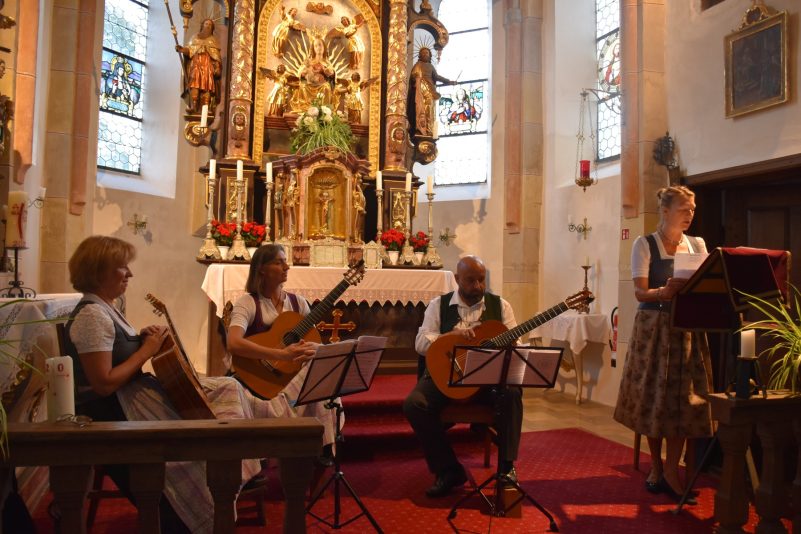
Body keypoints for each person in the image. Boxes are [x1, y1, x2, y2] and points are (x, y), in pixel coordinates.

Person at [613, 186, 713, 504]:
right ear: (666, 211)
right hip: (654, 329)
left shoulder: (697, 244)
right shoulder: (645, 244)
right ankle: (656, 467)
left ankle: (672, 469)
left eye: (693, 208)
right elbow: (640, 293)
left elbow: (707, 283)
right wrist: (663, 291)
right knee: (654, 399)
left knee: (684, 400)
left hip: (687, 330)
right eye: (684, 208)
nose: (690, 214)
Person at [403, 255, 522, 498]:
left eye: (481, 280)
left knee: (511, 393)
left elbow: (516, 344)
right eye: (470, 280)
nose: (477, 286)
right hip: (447, 375)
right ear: (457, 279)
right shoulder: (438, 305)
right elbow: (420, 342)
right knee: (414, 404)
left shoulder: (501, 306)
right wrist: (454, 338)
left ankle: (507, 468)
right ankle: (448, 470)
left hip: (487, 380)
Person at [226, 244, 340, 454]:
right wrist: (280, 354)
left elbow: (312, 340)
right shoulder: (248, 303)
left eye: (285, 261)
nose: (286, 266)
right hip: (258, 377)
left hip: (290, 378)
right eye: (279, 262)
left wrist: (317, 348)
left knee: (321, 375)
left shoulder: (298, 303)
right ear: (262, 269)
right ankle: (324, 446)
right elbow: (233, 343)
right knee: (318, 384)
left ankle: (322, 446)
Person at [175, 18, 222, 113]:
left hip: (207, 66)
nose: (208, 26)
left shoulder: (213, 40)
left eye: (210, 25)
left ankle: (206, 108)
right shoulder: (194, 37)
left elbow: (216, 56)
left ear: (212, 28)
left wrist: (217, 66)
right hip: (195, 64)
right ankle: (193, 105)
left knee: (207, 87)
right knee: (194, 85)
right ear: (202, 25)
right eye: (206, 24)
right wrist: (182, 49)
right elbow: (189, 50)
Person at [407, 46, 455, 138]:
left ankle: (429, 128)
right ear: (420, 55)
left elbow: (437, 77)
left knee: (430, 109)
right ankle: (421, 128)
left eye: (427, 53)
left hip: (430, 90)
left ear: (430, 56)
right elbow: (413, 77)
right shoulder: (418, 65)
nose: (425, 54)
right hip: (420, 91)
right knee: (421, 109)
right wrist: (416, 77)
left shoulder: (430, 66)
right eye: (423, 53)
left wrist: (449, 81)